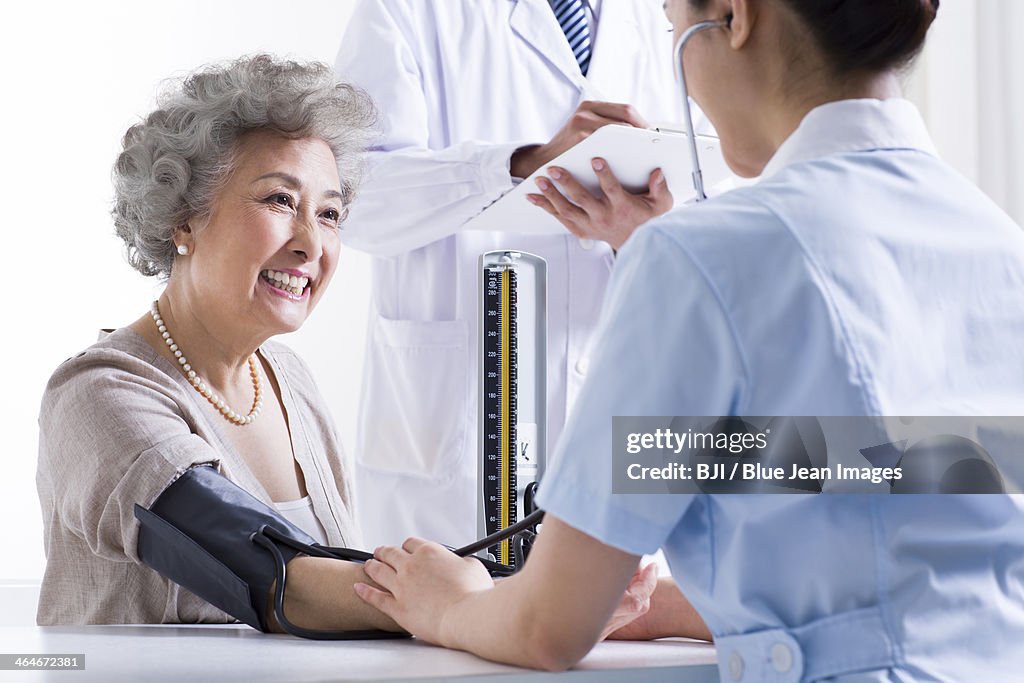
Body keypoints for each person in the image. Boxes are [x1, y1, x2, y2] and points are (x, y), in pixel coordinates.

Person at [353, 0, 1024, 680]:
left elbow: (545, 629)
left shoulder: (697, 256)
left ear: (732, 19)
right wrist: (650, 598)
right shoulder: (1002, 244)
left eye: (674, 30)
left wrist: (448, 606)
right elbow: (883, 477)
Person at [35, 55, 399, 630]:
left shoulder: (289, 379)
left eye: (329, 214)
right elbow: (276, 578)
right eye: (280, 201)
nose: (311, 244)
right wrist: (493, 603)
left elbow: (341, 576)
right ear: (184, 220)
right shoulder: (98, 394)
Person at [334, 0, 706, 547]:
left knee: (619, 617)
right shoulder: (406, 11)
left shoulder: (669, 19)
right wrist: (517, 165)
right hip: (453, 461)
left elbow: (717, 216)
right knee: (442, 613)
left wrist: (643, 236)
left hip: (627, 442)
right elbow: (348, 197)